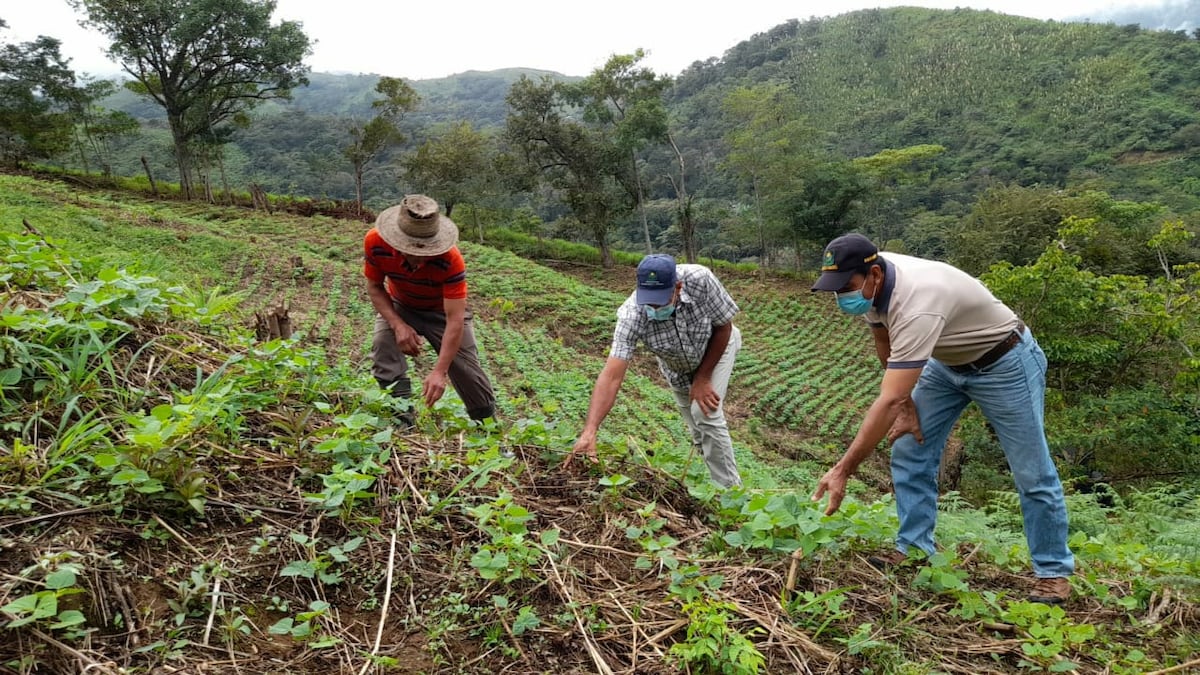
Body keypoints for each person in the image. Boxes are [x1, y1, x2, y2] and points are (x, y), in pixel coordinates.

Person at [809, 233, 1074, 604]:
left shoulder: (918, 302)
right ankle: (915, 549)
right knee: (909, 447)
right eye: (835, 289)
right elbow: (881, 335)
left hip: (1004, 362)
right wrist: (906, 407)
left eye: (846, 288)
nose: (842, 297)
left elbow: (888, 398)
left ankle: (1052, 572)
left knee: (1031, 470)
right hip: (945, 363)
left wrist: (843, 469)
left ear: (874, 275)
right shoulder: (870, 277)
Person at [564, 254, 743, 488]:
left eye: (660, 301)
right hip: (677, 368)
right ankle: (713, 486)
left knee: (704, 413)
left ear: (677, 287)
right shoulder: (631, 315)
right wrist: (590, 430)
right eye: (649, 301)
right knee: (699, 435)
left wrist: (702, 377)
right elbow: (611, 376)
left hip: (716, 349)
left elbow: (723, 327)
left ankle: (731, 494)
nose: (654, 308)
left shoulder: (700, 279)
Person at [364, 194, 496, 426]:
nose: (419, 258)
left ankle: (490, 429)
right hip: (401, 305)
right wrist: (398, 325)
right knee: (383, 346)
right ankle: (402, 420)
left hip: (441, 313)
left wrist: (439, 372)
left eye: (426, 250)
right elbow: (375, 287)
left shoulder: (451, 259)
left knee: (467, 371)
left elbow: (455, 320)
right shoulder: (375, 242)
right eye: (411, 249)